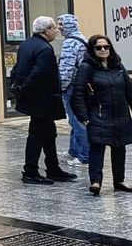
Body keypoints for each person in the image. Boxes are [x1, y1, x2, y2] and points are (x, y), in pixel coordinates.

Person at [8, 15, 78, 185]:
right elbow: (38, 73)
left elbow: (17, 68)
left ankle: (53, 168)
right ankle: (30, 171)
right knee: (37, 135)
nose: (56, 31)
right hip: (42, 99)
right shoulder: (45, 49)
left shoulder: (26, 44)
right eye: (54, 28)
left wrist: (16, 86)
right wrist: (23, 89)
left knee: (48, 133)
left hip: (36, 99)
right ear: (46, 31)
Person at [69, 34, 132, 195]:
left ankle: (119, 180)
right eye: (99, 47)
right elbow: (78, 93)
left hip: (120, 114)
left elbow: (129, 89)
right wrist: (82, 116)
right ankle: (96, 182)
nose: (103, 50)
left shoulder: (117, 65)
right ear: (92, 49)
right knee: (97, 148)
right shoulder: (86, 67)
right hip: (98, 114)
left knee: (119, 147)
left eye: (106, 46)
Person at [58, 14, 90, 167]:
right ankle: (73, 150)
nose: (59, 28)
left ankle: (84, 155)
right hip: (82, 85)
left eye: (61, 25)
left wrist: (62, 87)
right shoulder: (83, 38)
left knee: (77, 121)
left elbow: (66, 68)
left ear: (69, 25)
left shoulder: (70, 42)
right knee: (74, 120)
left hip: (73, 86)